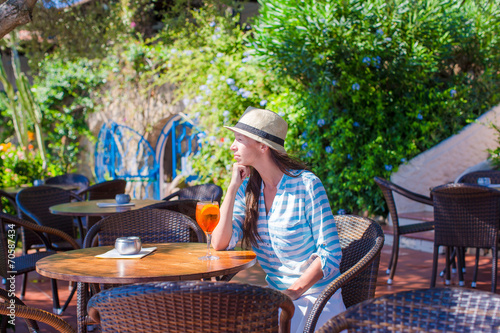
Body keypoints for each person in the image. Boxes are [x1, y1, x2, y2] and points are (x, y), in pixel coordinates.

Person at [212, 106, 346, 332]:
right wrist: (232, 188)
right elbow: (219, 243)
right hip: (275, 299)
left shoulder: (306, 185)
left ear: (263, 146)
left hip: (316, 297)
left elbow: (330, 254)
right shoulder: (247, 189)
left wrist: (293, 292)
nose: (232, 146)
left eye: (240, 139)